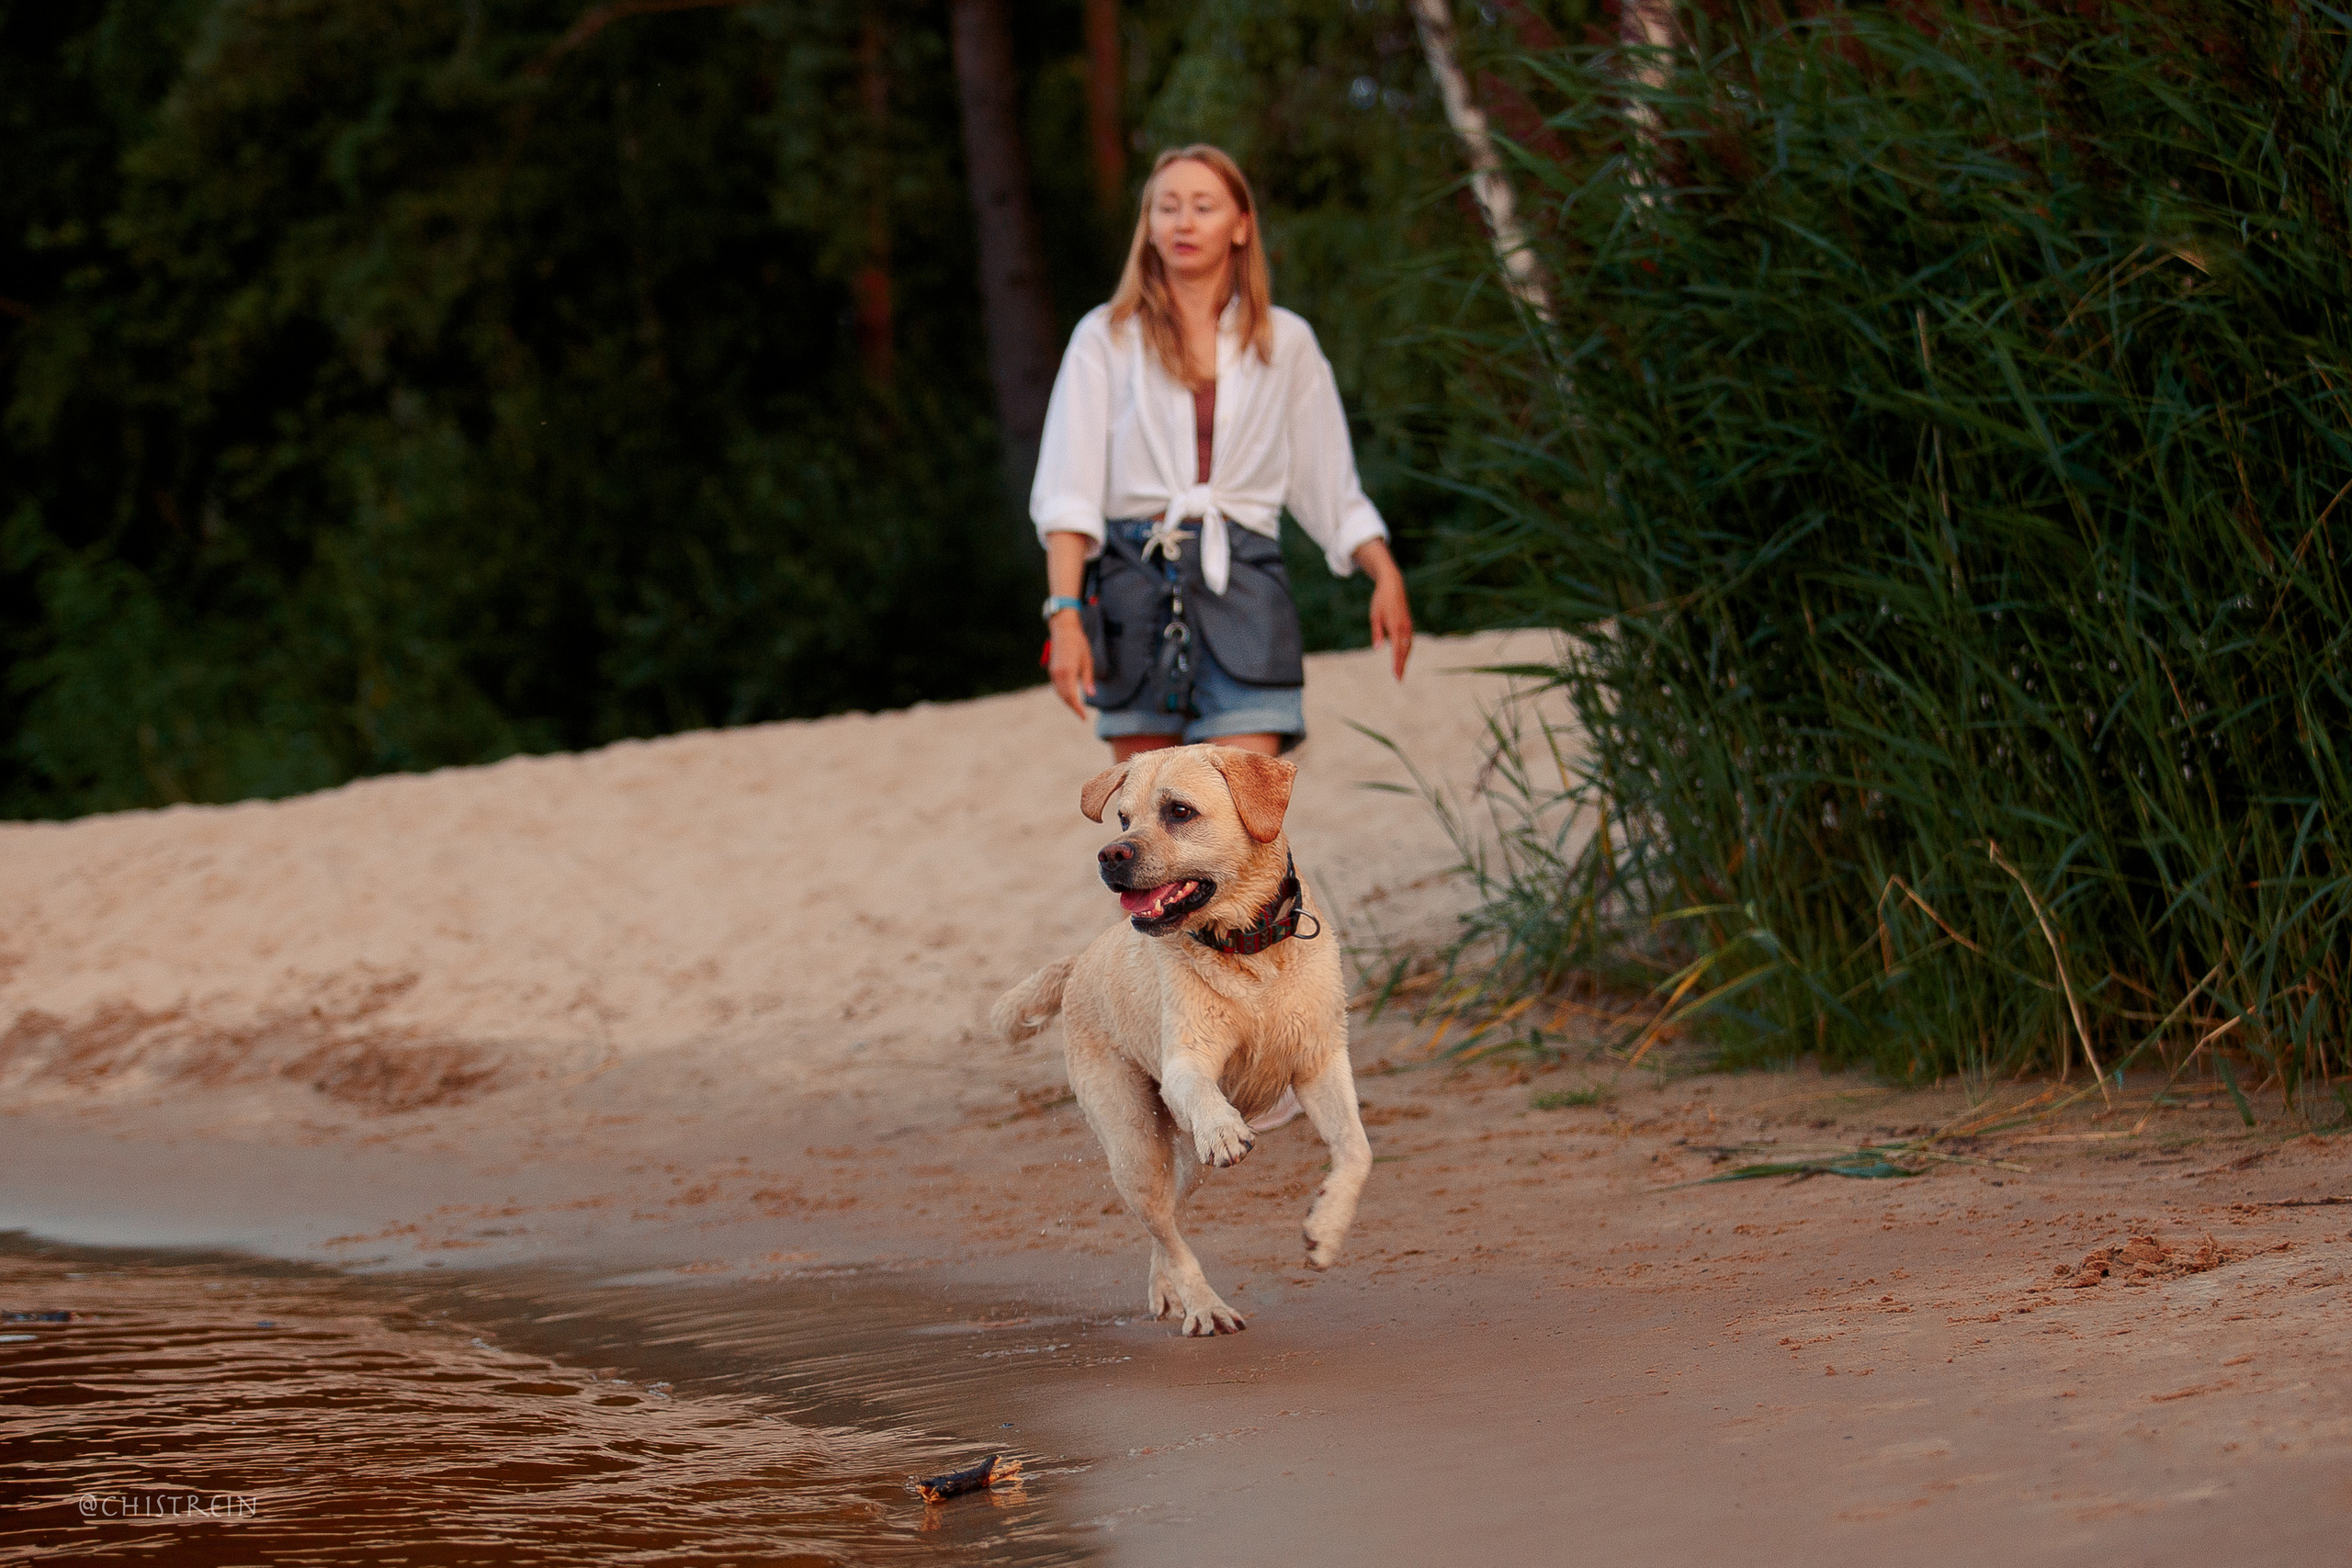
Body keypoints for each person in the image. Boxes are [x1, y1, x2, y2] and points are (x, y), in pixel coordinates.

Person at [1031, 143, 1414, 763]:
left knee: (1241, 817)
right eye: (1167, 207)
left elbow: (1328, 483)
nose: (1183, 222)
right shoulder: (1104, 338)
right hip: (1133, 580)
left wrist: (1384, 571)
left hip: (1246, 583)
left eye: (1203, 206)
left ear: (1241, 225)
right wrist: (1065, 617)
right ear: (1148, 226)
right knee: (1151, 833)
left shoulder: (1285, 342)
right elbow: (1067, 493)